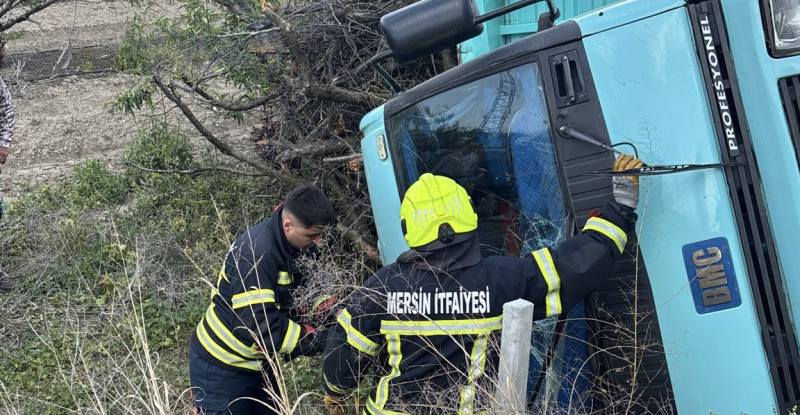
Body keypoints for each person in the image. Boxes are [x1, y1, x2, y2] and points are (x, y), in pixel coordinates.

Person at [321, 153, 643, 415]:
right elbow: (578, 265)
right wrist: (621, 206)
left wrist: (335, 394)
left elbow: (341, 363)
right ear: (469, 217)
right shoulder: (502, 280)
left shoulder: (382, 287)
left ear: (410, 230)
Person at [189, 184, 337, 414]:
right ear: (288, 225)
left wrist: (329, 311)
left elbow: (310, 288)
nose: (318, 241)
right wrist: (317, 340)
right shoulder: (256, 254)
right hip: (221, 367)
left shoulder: (300, 244)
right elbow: (260, 327)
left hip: (261, 364)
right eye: (313, 235)